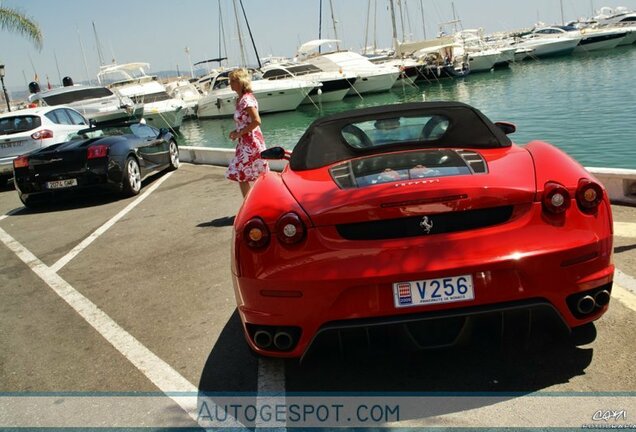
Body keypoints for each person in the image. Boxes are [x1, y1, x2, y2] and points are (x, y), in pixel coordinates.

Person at [225, 68, 269, 198]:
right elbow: (245, 122)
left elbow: (256, 121)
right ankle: (251, 204)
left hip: (251, 144)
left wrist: (240, 133)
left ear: (240, 82)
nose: (230, 83)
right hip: (244, 144)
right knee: (244, 174)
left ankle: (254, 204)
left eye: (233, 81)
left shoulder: (246, 100)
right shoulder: (240, 100)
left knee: (247, 174)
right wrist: (236, 132)